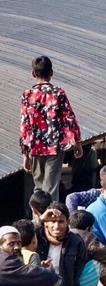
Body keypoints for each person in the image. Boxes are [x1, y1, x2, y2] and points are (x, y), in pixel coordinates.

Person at [20, 56, 84, 201]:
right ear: (51, 73)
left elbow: (24, 125)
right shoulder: (58, 93)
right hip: (54, 147)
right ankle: (50, 213)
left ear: (33, 73)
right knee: (51, 187)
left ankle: (37, 214)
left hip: (35, 147)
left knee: (38, 187)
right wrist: (77, 142)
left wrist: (25, 153)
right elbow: (70, 119)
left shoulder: (27, 95)